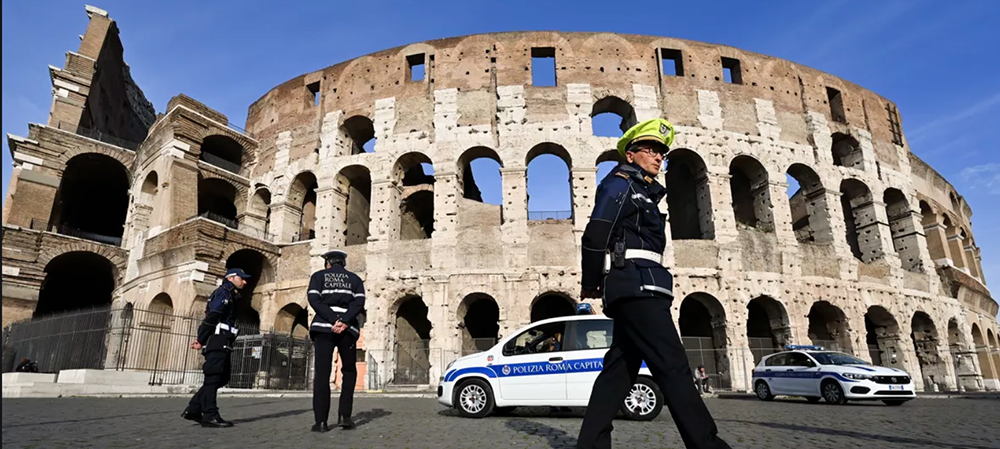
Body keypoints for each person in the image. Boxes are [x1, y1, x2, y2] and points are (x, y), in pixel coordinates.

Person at [576, 119, 731, 449]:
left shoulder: (645, 191)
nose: (659, 157)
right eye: (651, 150)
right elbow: (595, 232)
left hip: (645, 287)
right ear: (630, 155)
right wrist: (591, 284)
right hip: (636, 288)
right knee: (673, 367)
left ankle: (590, 444)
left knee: (617, 374)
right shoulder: (620, 184)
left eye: (662, 152)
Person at [182, 267, 250, 428]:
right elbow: (213, 316)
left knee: (222, 377)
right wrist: (201, 338)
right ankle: (210, 415)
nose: (245, 281)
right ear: (231, 278)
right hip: (217, 340)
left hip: (223, 340)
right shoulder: (223, 293)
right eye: (242, 278)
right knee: (213, 377)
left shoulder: (231, 294)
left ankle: (194, 408)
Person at [308, 249, 366, 432]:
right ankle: (345, 417)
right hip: (347, 329)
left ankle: (321, 422)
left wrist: (333, 319)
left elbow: (314, 300)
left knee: (322, 373)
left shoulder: (318, 277)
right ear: (343, 263)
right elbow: (359, 303)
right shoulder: (355, 279)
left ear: (328, 263)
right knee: (349, 371)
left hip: (324, 327)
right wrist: (344, 321)